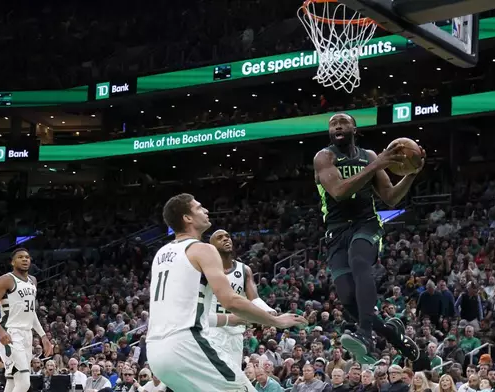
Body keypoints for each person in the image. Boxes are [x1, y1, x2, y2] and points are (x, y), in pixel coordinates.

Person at [146, 193, 307, 392]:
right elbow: (230, 300)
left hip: (156, 353)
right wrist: (275, 321)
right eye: (198, 208)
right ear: (187, 218)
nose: (205, 210)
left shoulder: (160, 254)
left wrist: (232, 320)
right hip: (187, 345)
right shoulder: (203, 249)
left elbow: (191, 313)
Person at [313, 112, 423, 363]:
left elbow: (391, 197)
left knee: (359, 260)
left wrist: (412, 174)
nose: (338, 126)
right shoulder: (325, 157)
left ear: (354, 129)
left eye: (343, 122)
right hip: (336, 229)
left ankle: (366, 335)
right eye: (333, 124)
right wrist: (377, 164)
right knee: (348, 299)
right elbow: (339, 192)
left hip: (366, 224)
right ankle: (392, 334)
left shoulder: (369, 156)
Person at [0, 248, 52, 392]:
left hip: (27, 334)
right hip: (10, 333)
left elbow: (31, 312)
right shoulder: (6, 280)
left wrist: (43, 336)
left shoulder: (33, 281)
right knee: (24, 383)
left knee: (13, 382)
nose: (25, 259)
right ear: (13, 262)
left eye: (27, 257)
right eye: (20, 257)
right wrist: (0, 331)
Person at [208, 228, 277, 369]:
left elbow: (254, 298)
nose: (226, 239)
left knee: (233, 375)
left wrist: (267, 310)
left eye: (227, 236)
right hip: (213, 329)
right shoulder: (205, 270)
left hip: (236, 332)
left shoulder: (244, 270)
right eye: (220, 238)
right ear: (212, 247)